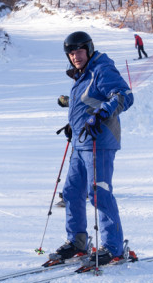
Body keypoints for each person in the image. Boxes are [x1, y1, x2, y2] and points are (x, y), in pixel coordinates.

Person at [50, 31, 134, 266]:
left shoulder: (101, 69)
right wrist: (74, 125)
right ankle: (77, 241)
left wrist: (101, 114)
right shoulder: (81, 76)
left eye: (79, 51)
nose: (75, 56)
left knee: (99, 193)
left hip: (100, 142)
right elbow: (87, 104)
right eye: (71, 53)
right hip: (81, 142)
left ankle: (113, 248)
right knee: (71, 192)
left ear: (88, 49)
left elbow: (124, 95)